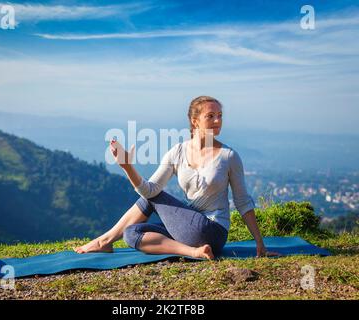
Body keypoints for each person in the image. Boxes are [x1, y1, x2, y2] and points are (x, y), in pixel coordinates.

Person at [74, 96, 279, 259]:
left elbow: (243, 201)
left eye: (220, 115)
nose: (217, 121)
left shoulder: (229, 156)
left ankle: (104, 241)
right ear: (194, 120)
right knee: (132, 234)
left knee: (152, 196)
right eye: (210, 116)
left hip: (213, 231)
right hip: (187, 229)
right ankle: (193, 252)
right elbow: (149, 189)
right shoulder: (177, 152)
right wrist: (127, 167)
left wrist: (260, 244)